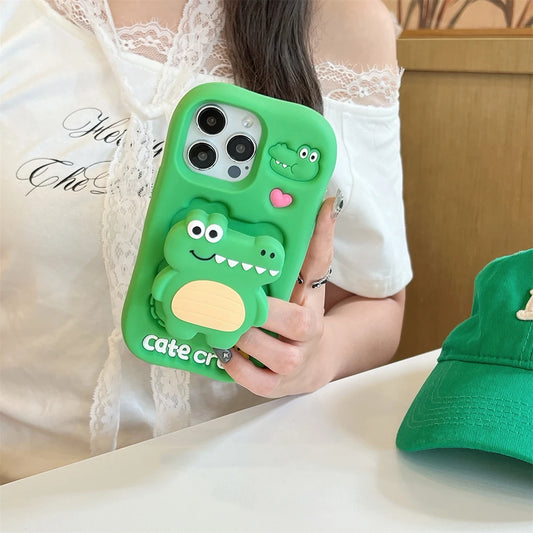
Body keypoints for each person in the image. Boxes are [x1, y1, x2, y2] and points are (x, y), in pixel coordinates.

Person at [0, 0, 412, 483]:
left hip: (237, 484)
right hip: (21, 479)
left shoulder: (344, 21)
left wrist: (318, 356)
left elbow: (378, 299)